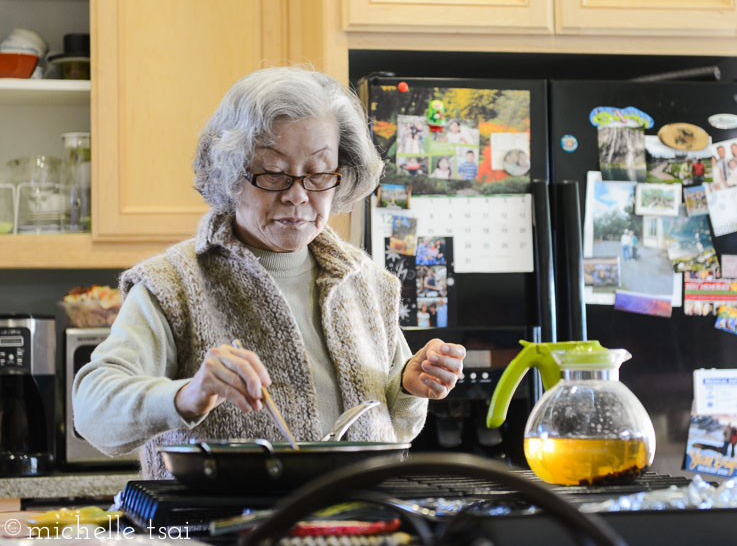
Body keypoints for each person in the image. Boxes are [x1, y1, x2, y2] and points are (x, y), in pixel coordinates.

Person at [73, 67, 466, 479]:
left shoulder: (365, 283)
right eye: (274, 172)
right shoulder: (174, 284)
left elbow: (397, 423)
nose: (298, 195)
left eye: (317, 174)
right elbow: (92, 411)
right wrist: (189, 395)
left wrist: (408, 385)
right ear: (230, 175)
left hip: (358, 528)